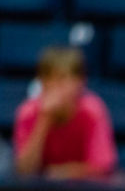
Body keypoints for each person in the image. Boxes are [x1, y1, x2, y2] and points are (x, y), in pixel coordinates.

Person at [14, 46, 117, 181]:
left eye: (62, 78)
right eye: (48, 78)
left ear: (80, 82)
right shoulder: (27, 112)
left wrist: (63, 172)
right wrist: (44, 120)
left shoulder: (93, 111)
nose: (54, 85)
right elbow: (24, 170)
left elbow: (103, 166)